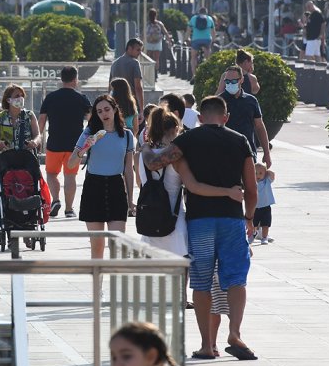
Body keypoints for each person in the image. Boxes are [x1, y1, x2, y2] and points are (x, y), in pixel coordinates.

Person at [141, 96, 258, 361]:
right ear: (225, 117)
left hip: (199, 221)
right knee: (236, 279)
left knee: (202, 282)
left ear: (201, 118)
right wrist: (249, 218)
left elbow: (154, 163)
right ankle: (235, 333)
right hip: (231, 220)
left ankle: (207, 345)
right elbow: (251, 189)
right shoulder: (240, 141)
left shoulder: (188, 140)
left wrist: (146, 150)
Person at [138, 106, 244, 256]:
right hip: (174, 224)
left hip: (149, 222)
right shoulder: (178, 159)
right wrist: (228, 192)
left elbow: (141, 184)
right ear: (176, 129)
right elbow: (194, 187)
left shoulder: (141, 156)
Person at [68, 95, 135, 259]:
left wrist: (130, 200)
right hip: (94, 187)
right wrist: (85, 148)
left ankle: (117, 283)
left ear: (114, 109)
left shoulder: (126, 135)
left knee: (118, 245)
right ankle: (97, 284)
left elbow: (128, 169)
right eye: (99, 111)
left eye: (107, 109)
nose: (104, 114)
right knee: (97, 246)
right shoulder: (89, 133)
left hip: (116, 187)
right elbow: (71, 163)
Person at [37, 66, 91, 219]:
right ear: (75, 79)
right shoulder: (82, 98)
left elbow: (42, 120)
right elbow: (91, 121)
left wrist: (39, 138)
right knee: (70, 176)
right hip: (75, 146)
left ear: (61, 79)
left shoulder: (51, 97)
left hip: (54, 143)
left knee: (52, 174)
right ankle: (68, 209)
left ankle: (55, 200)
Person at [218, 65, 272, 168]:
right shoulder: (219, 101)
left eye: (233, 81)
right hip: (225, 153)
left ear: (241, 80)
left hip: (248, 152)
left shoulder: (251, 101)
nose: (230, 84)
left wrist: (267, 152)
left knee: (250, 184)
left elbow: (259, 126)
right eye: (227, 81)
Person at [0, 84, 41, 153]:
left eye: (22, 96)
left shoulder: (30, 115)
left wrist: (34, 142)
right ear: (8, 100)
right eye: (17, 96)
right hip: (6, 158)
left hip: (27, 158)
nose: (21, 98)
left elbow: (38, 135)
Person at [110, 38, 145, 119]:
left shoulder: (114, 63)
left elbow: (110, 87)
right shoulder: (135, 63)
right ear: (130, 48)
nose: (140, 53)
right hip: (131, 104)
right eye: (138, 50)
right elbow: (138, 87)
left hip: (116, 104)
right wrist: (142, 110)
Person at [186, 7, 215, 76]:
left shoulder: (193, 18)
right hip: (207, 40)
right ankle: (208, 72)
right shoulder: (209, 19)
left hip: (196, 40)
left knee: (193, 57)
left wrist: (187, 39)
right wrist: (213, 41)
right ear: (206, 12)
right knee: (208, 57)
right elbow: (213, 32)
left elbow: (188, 30)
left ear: (199, 12)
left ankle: (194, 75)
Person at [252, 162, 275, 245]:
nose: (258, 175)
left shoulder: (267, 181)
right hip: (255, 207)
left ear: (265, 174)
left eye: (261, 173)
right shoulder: (252, 182)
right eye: (255, 173)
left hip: (266, 206)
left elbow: (272, 175)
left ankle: (264, 237)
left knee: (265, 224)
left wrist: (267, 171)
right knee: (253, 223)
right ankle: (252, 235)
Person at [144, 8, 172, 73]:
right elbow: (165, 32)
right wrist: (169, 41)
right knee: (156, 58)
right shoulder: (159, 23)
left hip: (149, 42)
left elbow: (143, 33)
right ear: (156, 15)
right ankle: (156, 72)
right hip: (157, 42)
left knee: (148, 58)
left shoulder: (147, 23)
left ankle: (149, 72)